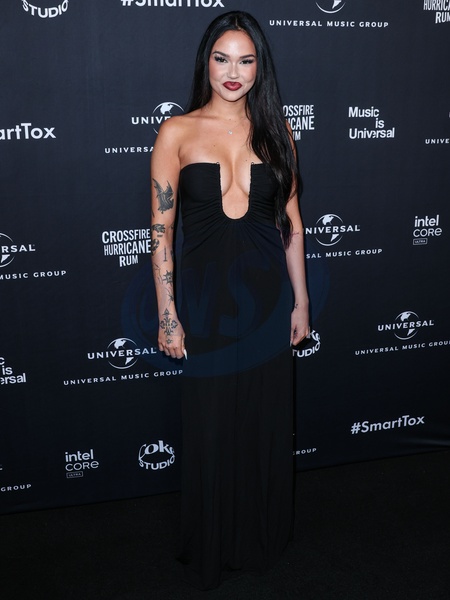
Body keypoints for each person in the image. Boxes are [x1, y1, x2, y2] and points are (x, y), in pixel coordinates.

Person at [150, 11, 309, 590]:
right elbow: (160, 233)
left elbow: (292, 225)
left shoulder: (278, 131)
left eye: (246, 59)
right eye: (222, 58)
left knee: (264, 424)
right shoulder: (177, 132)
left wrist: (301, 304)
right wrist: (168, 316)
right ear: (207, 63)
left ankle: (260, 536)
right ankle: (213, 542)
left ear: (260, 67)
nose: (233, 71)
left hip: (267, 301)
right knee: (212, 427)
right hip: (208, 305)